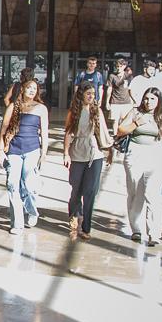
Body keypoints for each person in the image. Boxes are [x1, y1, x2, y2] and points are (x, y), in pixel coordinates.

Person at [117, 87, 162, 247]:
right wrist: (137, 123)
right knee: (135, 192)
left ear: (158, 101)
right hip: (135, 154)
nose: (148, 102)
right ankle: (136, 228)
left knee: (152, 194)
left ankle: (154, 233)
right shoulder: (135, 112)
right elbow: (121, 130)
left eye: (152, 99)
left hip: (156, 155)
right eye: (146, 98)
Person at [0, 78, 48, 235]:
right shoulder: (14, 107)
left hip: (32, 150)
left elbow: (45, 133)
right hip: (14, 151)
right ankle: (17, 223)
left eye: (35, 88)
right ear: (22, 90)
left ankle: (32, 211)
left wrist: (43, 153)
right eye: (29, 88)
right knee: (12, 185)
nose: (32, 91)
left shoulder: (41, 108)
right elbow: (3, 131)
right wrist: (0, 151)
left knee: (29, 185)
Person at [62, 84, 110, 241]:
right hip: (77, 152)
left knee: (90, 191)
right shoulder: (74, 112)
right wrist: (66, 153)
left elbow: (103, 133)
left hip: (94, 154)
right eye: (88, 93)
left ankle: (86, 227)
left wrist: (109, 150)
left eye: (93, 94)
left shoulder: (97, 111)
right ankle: (75, 214)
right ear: (81, 94)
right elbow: (68, 133)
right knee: (76, 188)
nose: (91, 96)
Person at [104, 58, 134, 132]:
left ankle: (121, 137)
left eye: (120, 66)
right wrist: (107, 102)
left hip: (126, 102)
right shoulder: (112, 76)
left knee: (124, 121)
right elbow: (109, 89)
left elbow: (131, 89)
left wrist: (133, 100)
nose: (118, 68)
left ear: (124, 66)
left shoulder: (128, 76)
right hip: (115, 101)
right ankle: (115, 136)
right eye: (117, 66)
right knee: (115, 121)